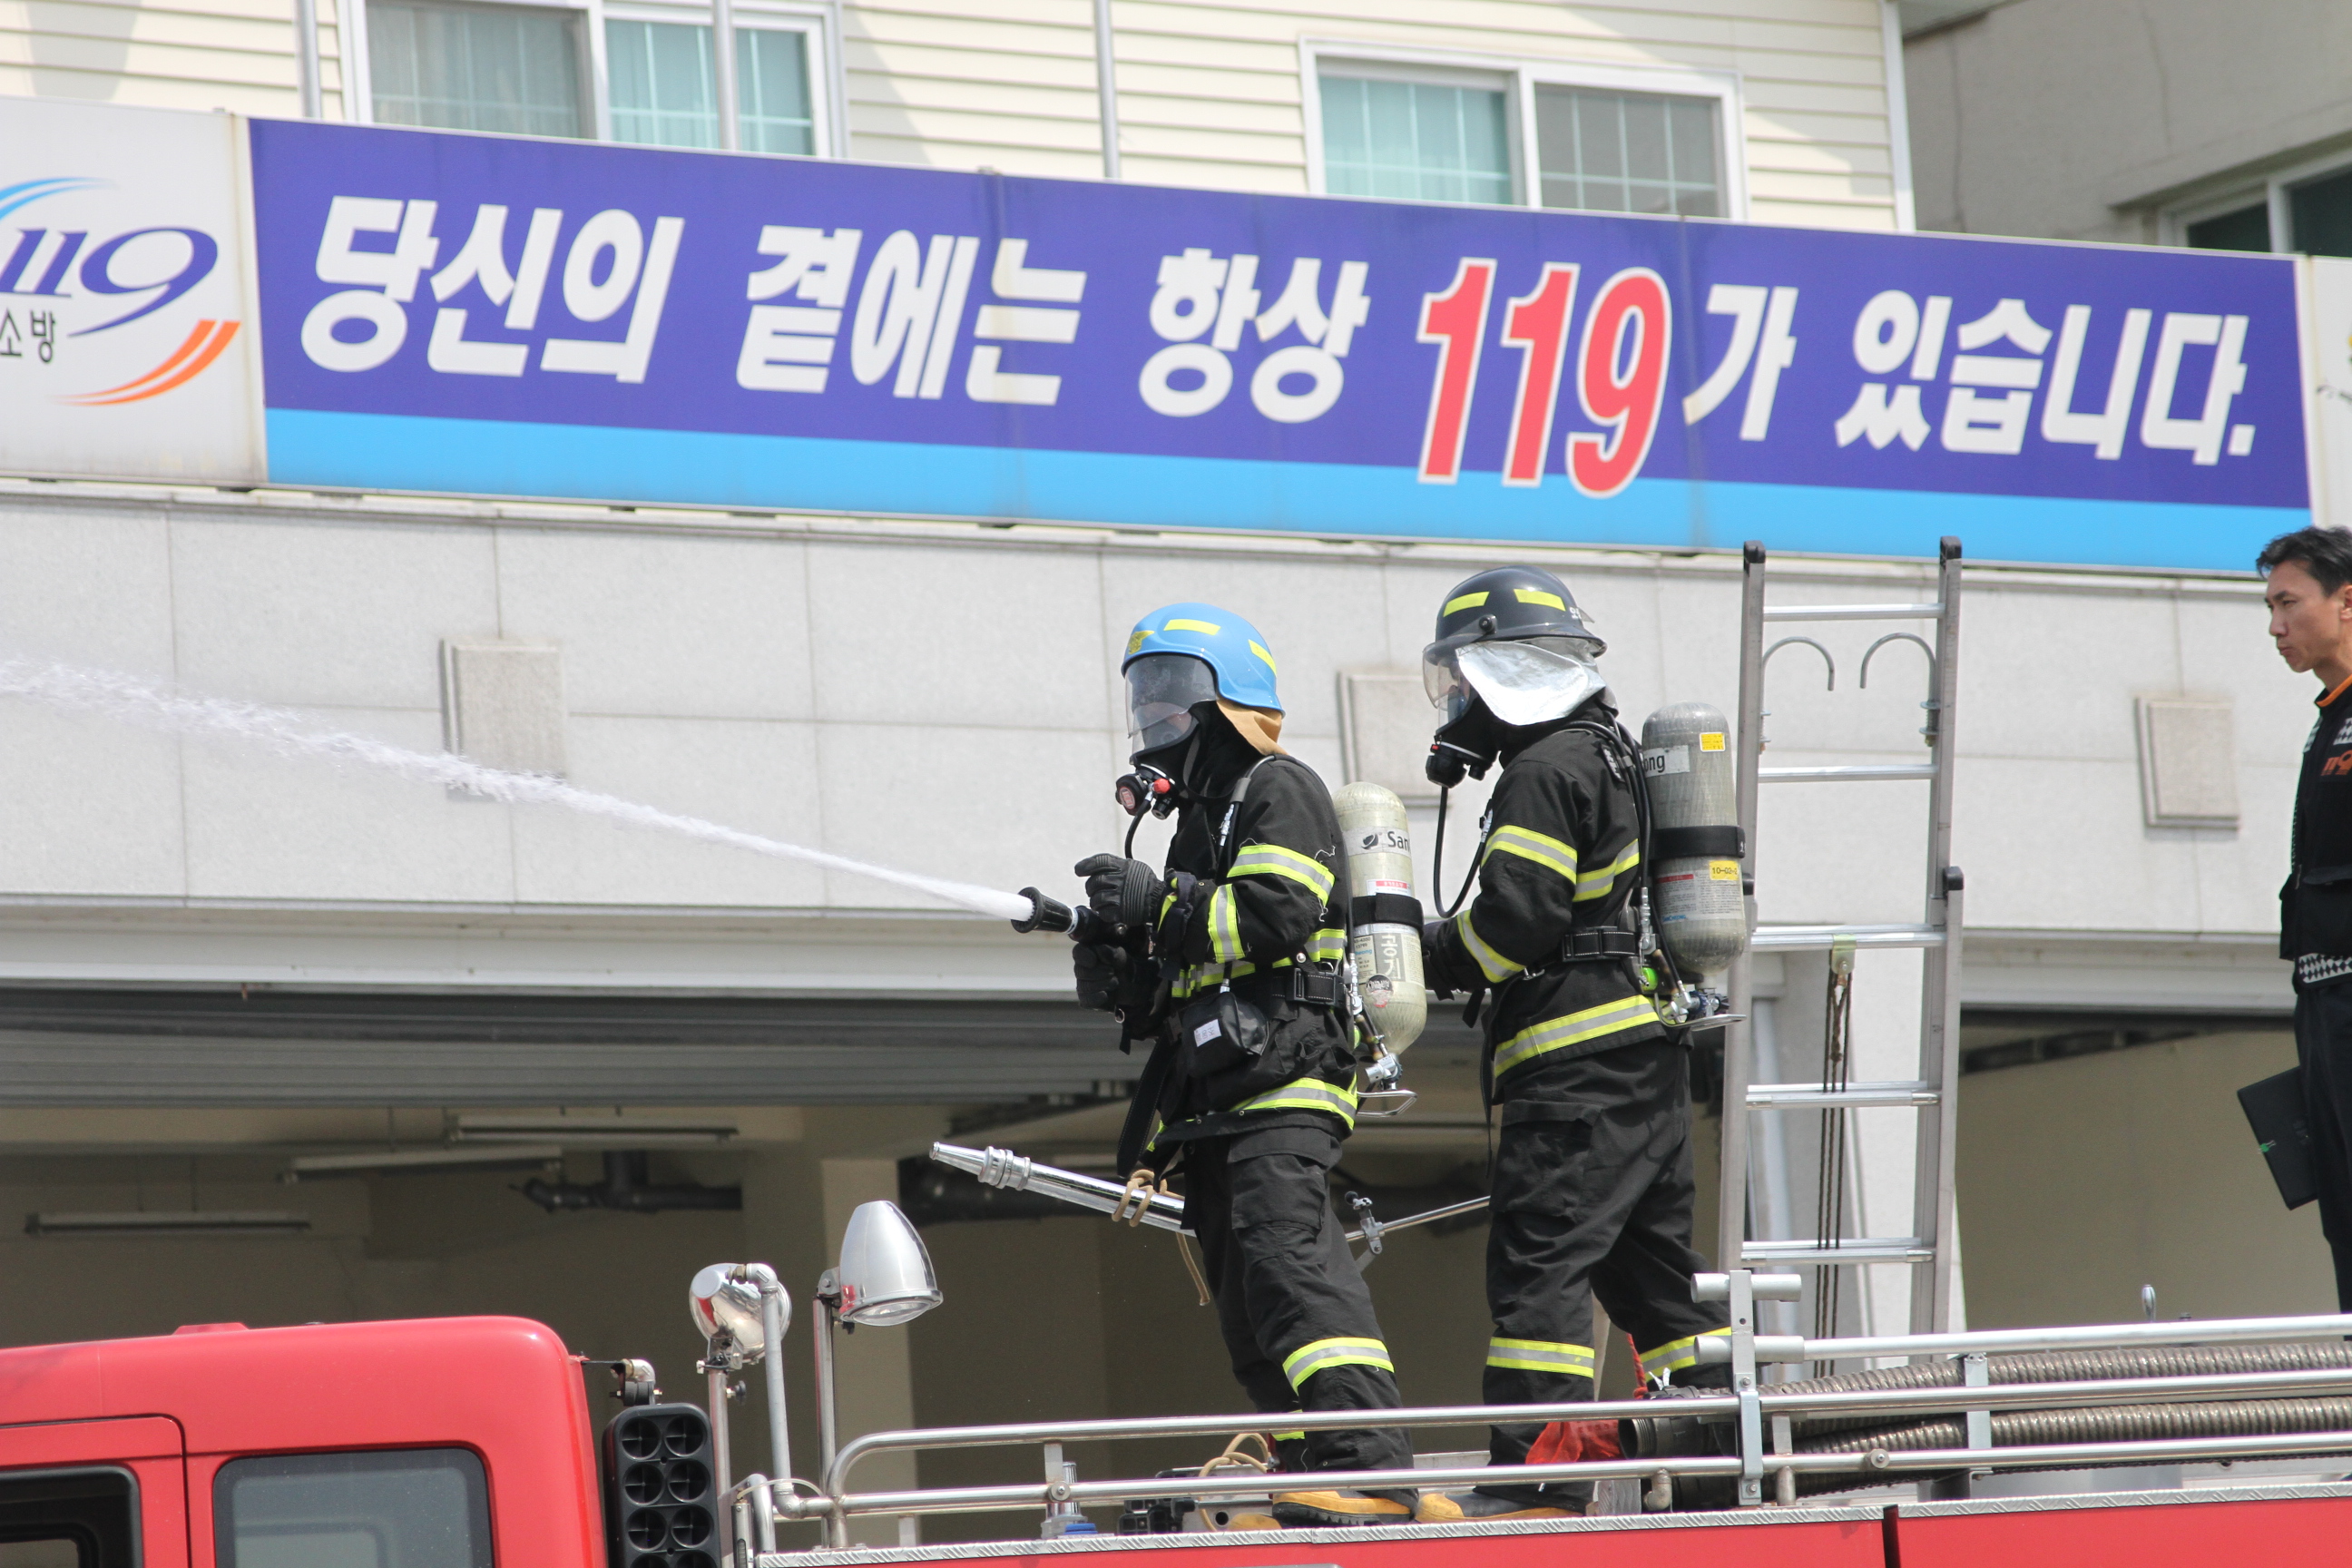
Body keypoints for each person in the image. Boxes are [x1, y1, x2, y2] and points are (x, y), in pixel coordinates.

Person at [1069, 603, 1418, 1528]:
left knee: (1289, 1265)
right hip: (1218, 1100)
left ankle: (1369, 1466)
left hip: (1286, 1080)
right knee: (1248, 1303)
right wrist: (1122, 967)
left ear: (1227, 700)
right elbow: (1190, 968)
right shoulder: (1196, 822)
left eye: (1173, 690)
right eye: (1145, 693)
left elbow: (1274, 913)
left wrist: (1160, 904)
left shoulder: (1278, 787)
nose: (1154, 712)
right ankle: (1308, 1469)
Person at [1411, 566, 1731, 1523]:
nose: (1456, 706)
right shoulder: (1610, 753)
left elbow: (1515, 922)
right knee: (1656, 1285)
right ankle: (1719, 1463)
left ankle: (1535, 1483)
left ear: (1502, 673)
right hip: (1642, 1073)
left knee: (1539, 1273)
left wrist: (1424, 955)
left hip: (1575, 1081)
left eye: (1461, 682)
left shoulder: (1545, 770)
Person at [2259, 525, 2352, 1310]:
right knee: (2342, 1208)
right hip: (2324, 1003)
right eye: (2270, 608)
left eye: (2288, 603)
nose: (2275, 626)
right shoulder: (2328, 718)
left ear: (2346, 601)